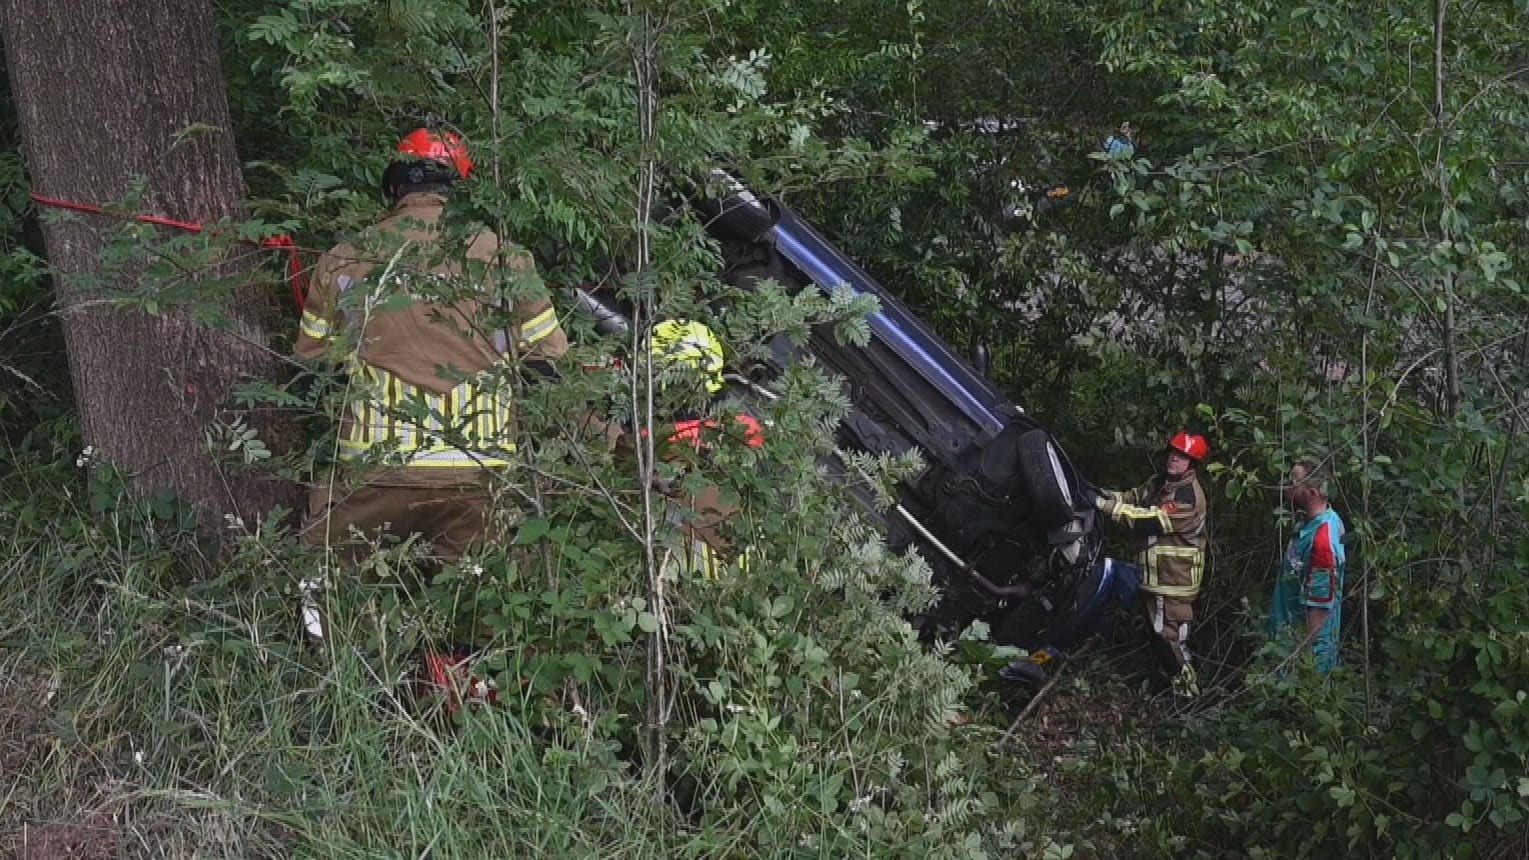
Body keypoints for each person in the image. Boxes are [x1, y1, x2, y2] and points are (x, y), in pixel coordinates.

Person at [294, 127, 568, 626]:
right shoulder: (507, 257)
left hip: (374, 475)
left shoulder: (345, 257)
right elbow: (547, 362)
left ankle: (342, 677)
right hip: (480, 476)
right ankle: (461, 684)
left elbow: (314, 363)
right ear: (457, 186)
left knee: (329, 589)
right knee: (482, 613)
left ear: (395, 186)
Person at [1269, 458, 1346, 673]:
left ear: (1312, 493)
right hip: (1284, 647)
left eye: (1294, 483)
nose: (1287, 487)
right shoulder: (1311, 523)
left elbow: (1319, 608)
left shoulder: (1322, 541)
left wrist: (1302, 662)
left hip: (1304, 663)